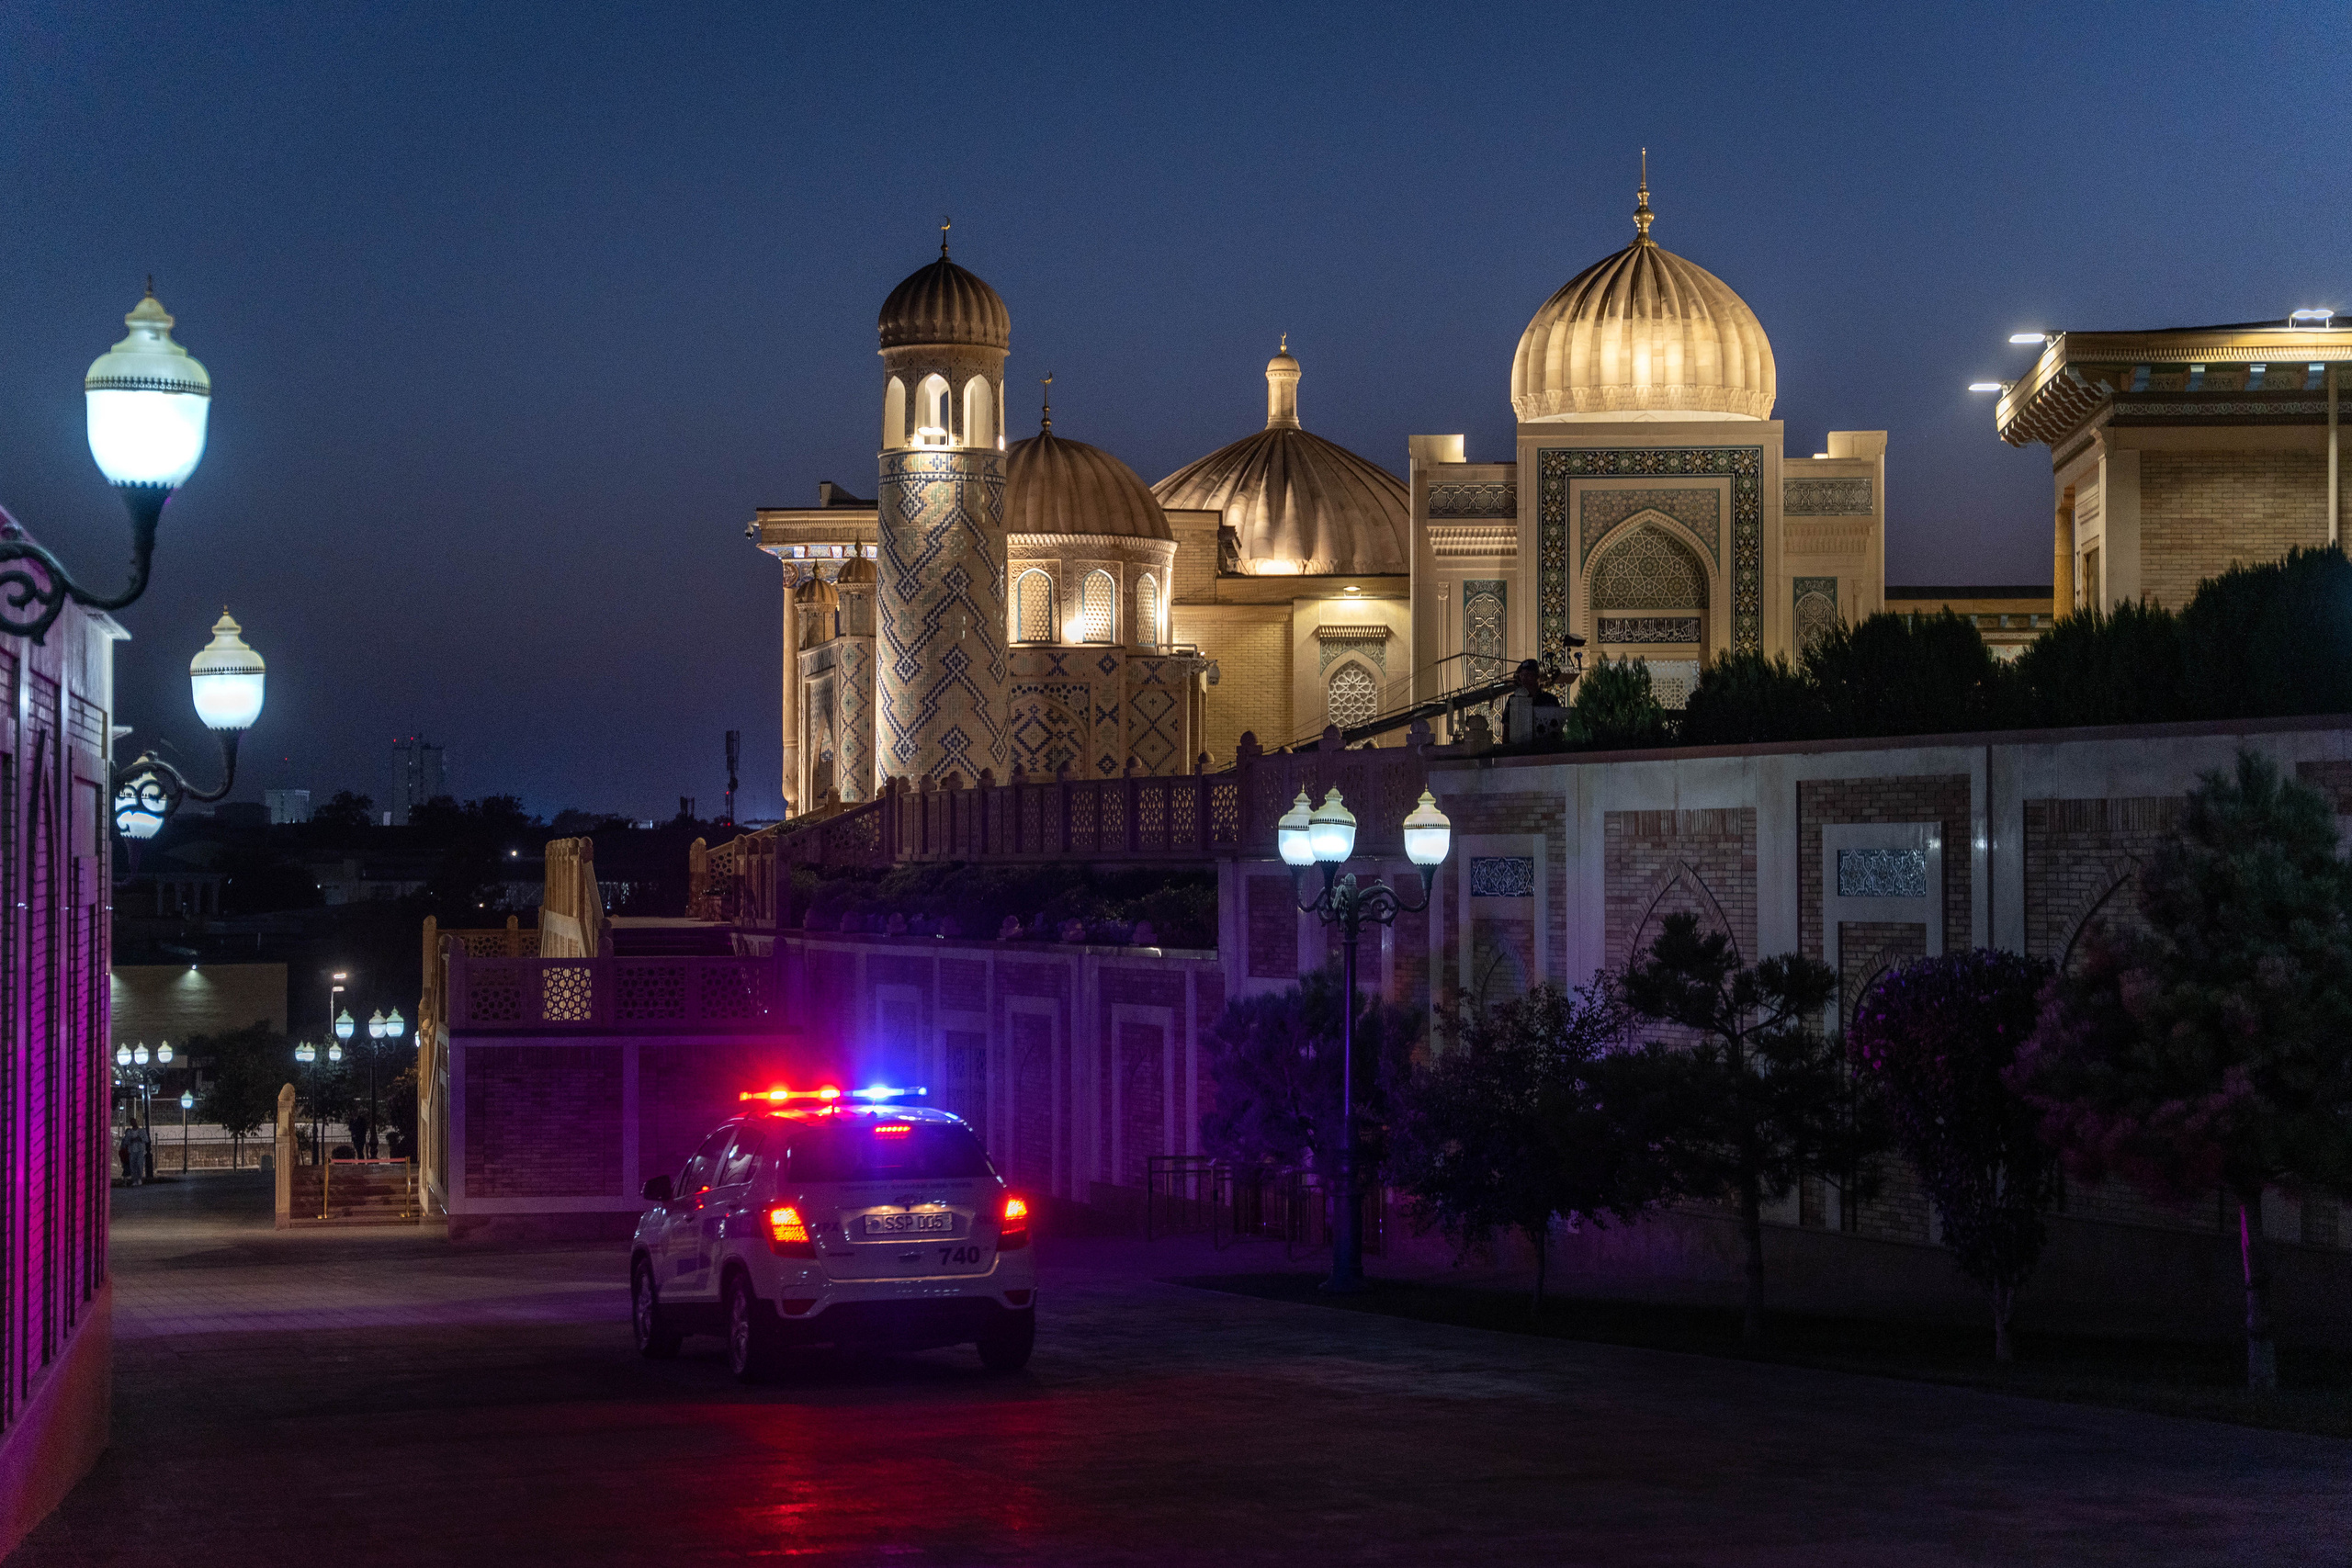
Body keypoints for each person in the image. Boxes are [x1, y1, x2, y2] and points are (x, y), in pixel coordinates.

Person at [1501, 660, 1564, 743]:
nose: (1524, 678)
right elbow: (1507, 727)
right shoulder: (1514, 699)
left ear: (1538, 676)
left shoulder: (1550, 700)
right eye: (1522, 675)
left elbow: (1557, 727)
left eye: (1528, 675)